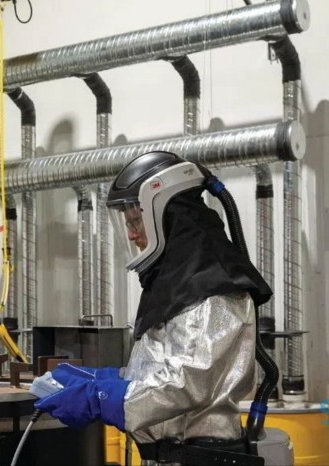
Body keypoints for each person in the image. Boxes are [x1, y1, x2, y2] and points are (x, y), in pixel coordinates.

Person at [35, 151, 272, 464]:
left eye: (136, 221)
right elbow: (164, 367)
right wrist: (105, 378)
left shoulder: (215, 287)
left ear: (165, 214)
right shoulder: (180, 283)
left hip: (202, 457)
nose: (132, 234)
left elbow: (186, 383)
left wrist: (101, 397)